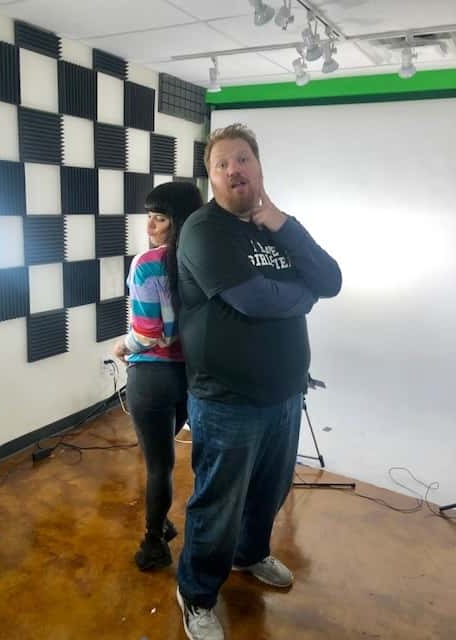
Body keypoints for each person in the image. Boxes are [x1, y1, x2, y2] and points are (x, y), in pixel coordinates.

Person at [175, 124, 342, 640]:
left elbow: (331, 279)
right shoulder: (203, 230)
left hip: (285, 392)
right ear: (211, 178)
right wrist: (305, 296)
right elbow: (255, 300)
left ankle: (249, 555)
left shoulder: (278, 228)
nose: (234, 170)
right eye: (221, 164)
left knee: (270, 491)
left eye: (242, 158)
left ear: (259, 167)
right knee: (218, 504)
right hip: (227, 399)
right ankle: (196, 593)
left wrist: (283, 224)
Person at [113, 181, 203, 571]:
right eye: (148, 216)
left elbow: (148, 333)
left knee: (158, 465)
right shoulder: (203, 261)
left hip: (151, 379)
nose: (149, 226)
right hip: (189, 377)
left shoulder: (147, 263)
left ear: (179, 221)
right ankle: (162, 524)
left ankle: (153, 545)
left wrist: (122, 347)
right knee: (166, 459)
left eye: (160, 218)